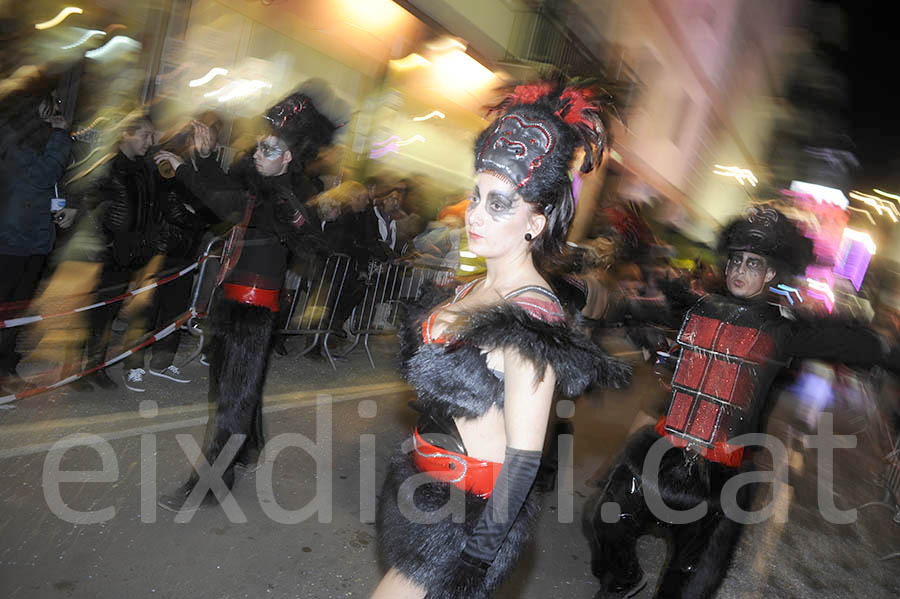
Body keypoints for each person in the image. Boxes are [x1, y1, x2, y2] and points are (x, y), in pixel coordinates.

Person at [372, 82, 631, 599]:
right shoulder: (471, 286)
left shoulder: (532, 314)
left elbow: (525, 458)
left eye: (498, 203)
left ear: (535, 221)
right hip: (421, 492)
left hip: (460, 525)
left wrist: (472, 563)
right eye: (475, 196)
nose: (474, 214)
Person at [584, 204, 900, 599]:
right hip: (661, 454)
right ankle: (624, 578)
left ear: (770, 274)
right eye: (736, 260)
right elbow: (628, 308)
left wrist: (886, 347)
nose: (738, 270)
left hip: (725, 480)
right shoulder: (696, 307)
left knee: (691, 583)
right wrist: (585, 301)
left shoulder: (783, 331)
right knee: (605, 519)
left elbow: (856, 344)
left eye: (753, 263)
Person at [154, 79, 348, 512]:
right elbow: (227, 197)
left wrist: (190, 170)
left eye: (268, 149)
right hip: (232, 299)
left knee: (231, 398)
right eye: (259, 146)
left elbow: (307, 239)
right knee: (230, 388)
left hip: (255, 307)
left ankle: (210, 484)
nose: (257, 153)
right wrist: (201, 159)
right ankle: (249, 446)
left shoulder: (292, 196)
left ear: (290, 156)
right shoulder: (263, 187)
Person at [0, 77, 75, 392]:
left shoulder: (34, 137)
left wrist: (65, 205)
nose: (57, 109)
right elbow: (43, 175)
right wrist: (60, 135)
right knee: (7, 304)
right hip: (12, 236)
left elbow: (53, 181)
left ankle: (5, 364)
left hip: (32, 235)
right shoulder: (14, 137)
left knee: (17, 306)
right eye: (52, 103)